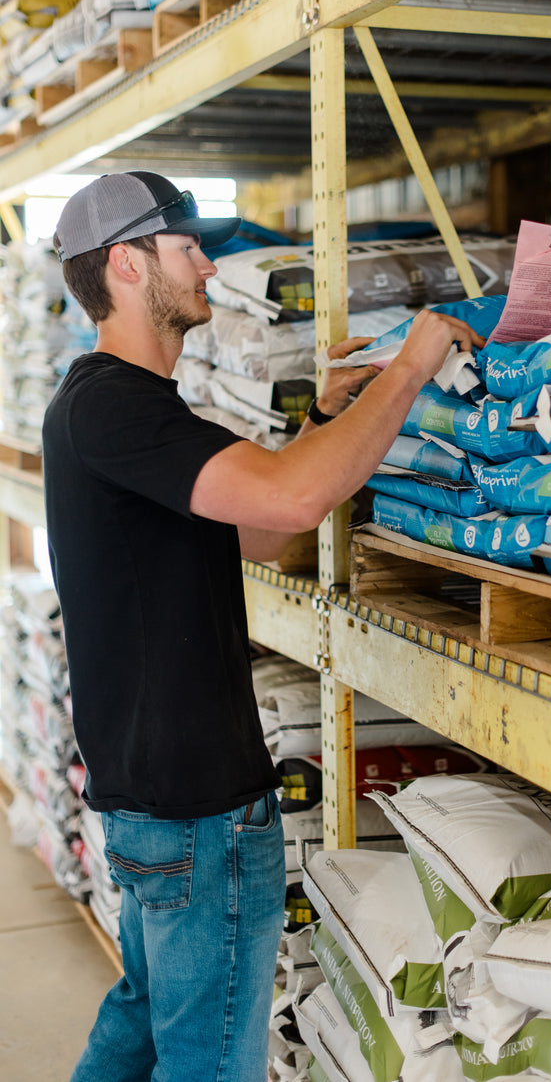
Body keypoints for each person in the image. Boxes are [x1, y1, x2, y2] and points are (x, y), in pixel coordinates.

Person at [42, 170, 483, 1082]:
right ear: (127, 265)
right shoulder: (112, 406)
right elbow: (300, 493)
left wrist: (325, 416)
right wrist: (408, 370)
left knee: (145, 1024)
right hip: (195, 812)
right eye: (187, 246)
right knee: (207, 1064)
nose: (208, 264)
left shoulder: (127, 409)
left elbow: (266, 527)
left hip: (160, 804)